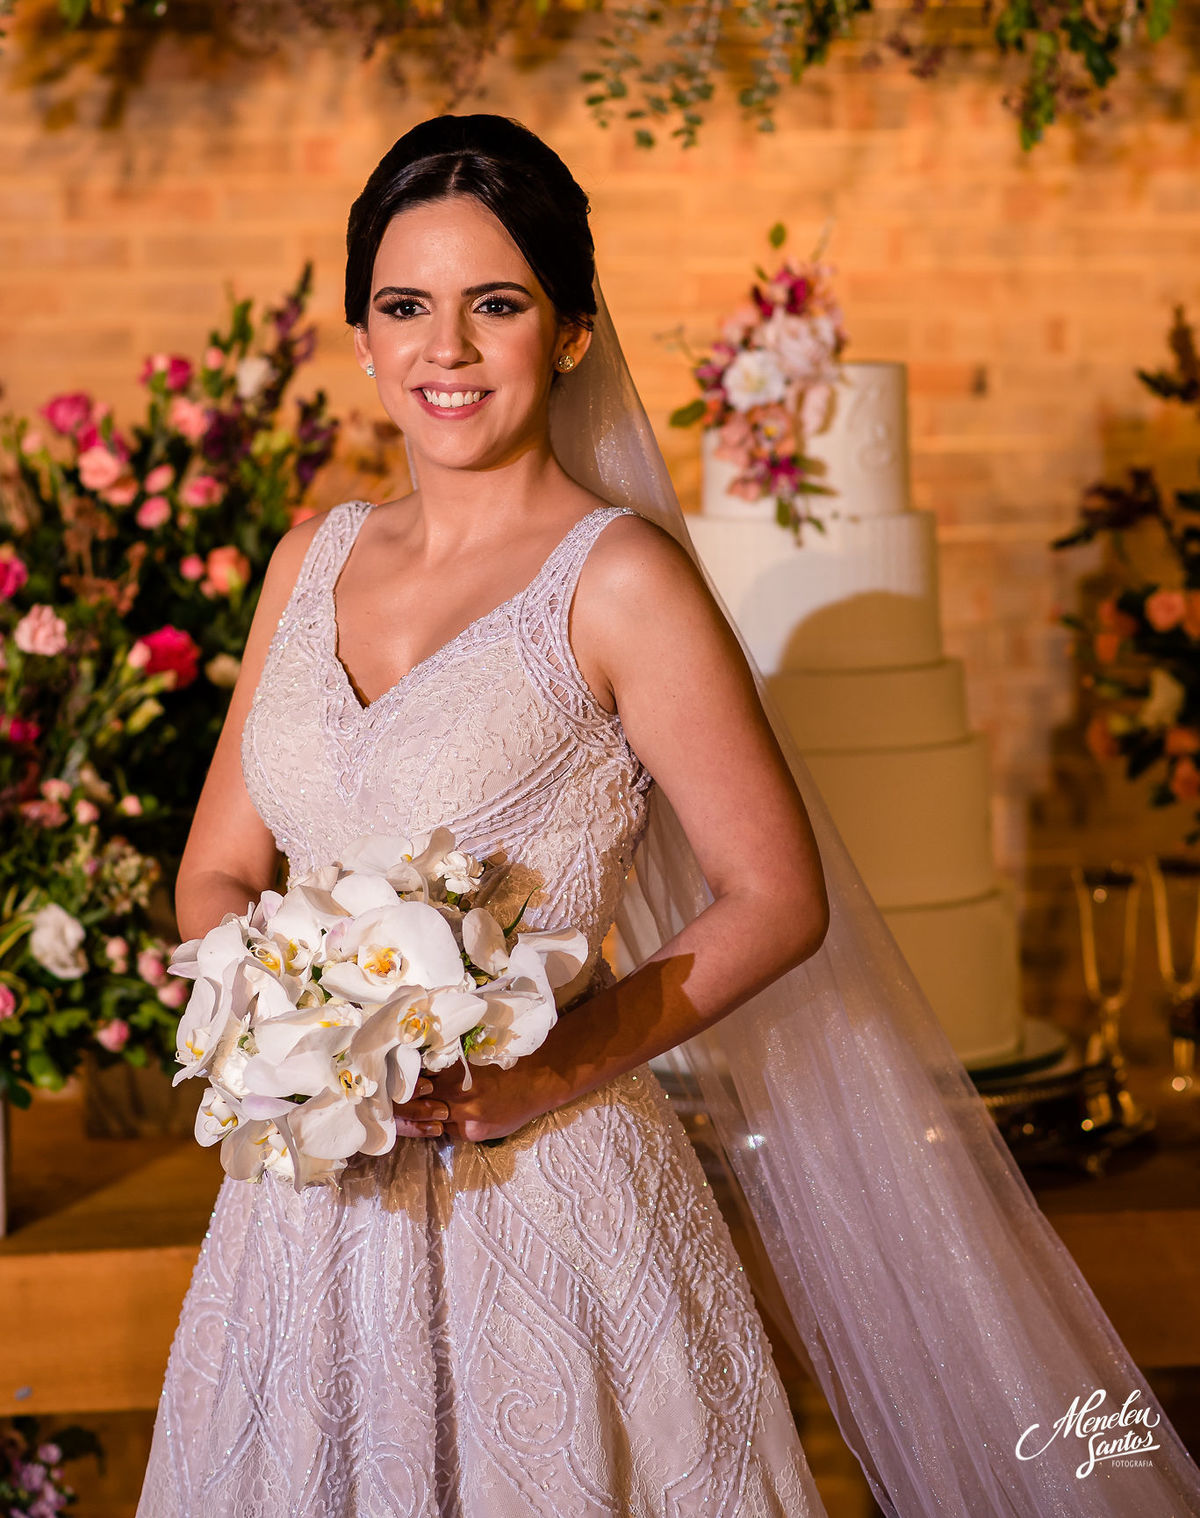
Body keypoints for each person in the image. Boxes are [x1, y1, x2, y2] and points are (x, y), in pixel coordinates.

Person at [139, 115, 1200, 1518]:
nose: (445, 350)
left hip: (545, 1190)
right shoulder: (306, 559)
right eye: (407, 306)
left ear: (573, 331)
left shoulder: (617, 578)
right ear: (362, 338)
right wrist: (295, 1021)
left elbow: (776, 894)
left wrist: (540, 1070)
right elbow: (217, 867)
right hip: (307, 1202)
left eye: (495, 304)